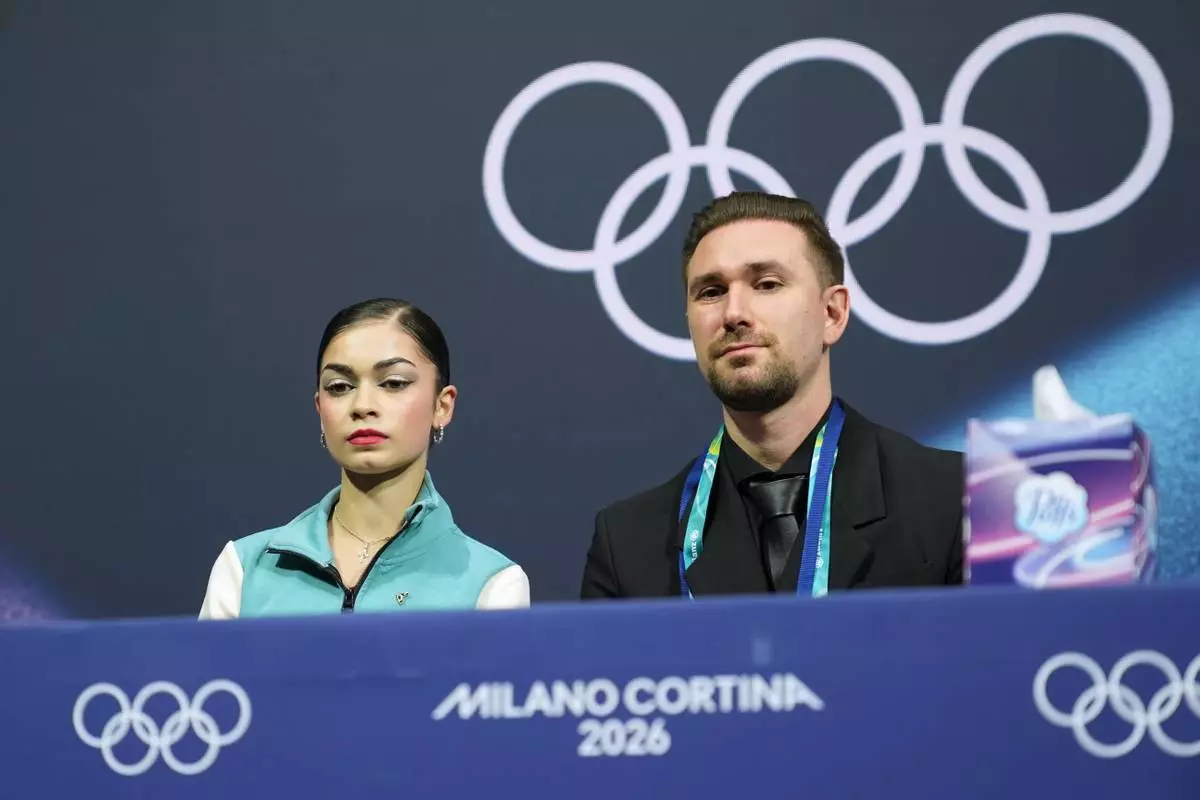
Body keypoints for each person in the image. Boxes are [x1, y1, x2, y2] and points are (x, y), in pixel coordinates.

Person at [581, 192, 963, 600]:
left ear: (832, 314)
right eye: (711, 291)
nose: (733, 313)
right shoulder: (627, 545)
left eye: (767, 284)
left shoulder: (955, 503)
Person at [200, 298, 529, 617]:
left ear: (442, 406)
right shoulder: (244, 569)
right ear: (319, 409)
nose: (362, 406)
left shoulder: (491, 584)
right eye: (340, 386)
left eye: (393, 383)